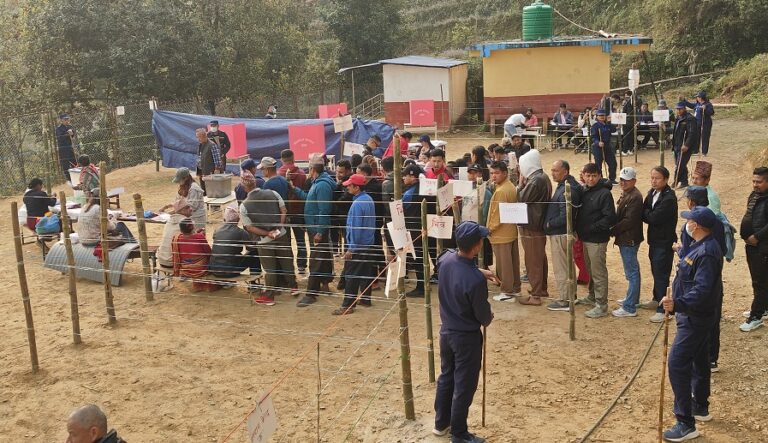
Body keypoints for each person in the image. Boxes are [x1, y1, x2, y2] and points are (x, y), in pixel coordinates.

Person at [660, 207, 723, 442]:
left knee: (677, 363)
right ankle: (700, 406)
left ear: (696, 226)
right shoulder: (700, 246)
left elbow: (702, 290)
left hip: (695, 317)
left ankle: (686, 423)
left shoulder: (706, 252)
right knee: (699, 360)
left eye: (690, 221)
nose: (687, 223)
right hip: (696, 315)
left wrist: (677, 304)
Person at [433, 221, 497, 443]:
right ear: (477, 246)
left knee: (446, 376)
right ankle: (459, 433)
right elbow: (483, 316)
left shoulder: (445, 258)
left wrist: (479, 271)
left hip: (446, 331)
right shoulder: (475, 281)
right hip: (466, 338)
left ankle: (441, 423)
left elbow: (456, 267)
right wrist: (489, 317)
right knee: (464, 384)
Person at [240, 173, 296, 305]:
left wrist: (267, 233)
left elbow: (249, 227)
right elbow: (283, 210)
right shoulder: (273, 193)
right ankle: (293, 287)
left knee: (270, 268)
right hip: (281, 234)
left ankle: (270, 296)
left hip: (264, 240)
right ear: (255, 182)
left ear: (244, 187)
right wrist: (279, 227)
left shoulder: (244, 205)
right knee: (287, 261)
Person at [291, 163, 337, 306]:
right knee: (323, 256)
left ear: (313, 170)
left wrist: (320, 231)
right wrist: (295, 189)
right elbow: (309, 199)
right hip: (316, 226)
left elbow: (324, 210)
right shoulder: (318, 183)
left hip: (318, 228)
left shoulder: (322, 185)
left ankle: (311, 293)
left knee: (316, 260)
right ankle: (325, 283)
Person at [574, 163, 616, 318]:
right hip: (585, 238)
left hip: (597, 239)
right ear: (583, 176)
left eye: (594, 176)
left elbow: (610, 218)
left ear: (599, 176)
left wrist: (592, 228)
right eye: (588, 175)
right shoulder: (584, 190)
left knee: (598, 272)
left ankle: (601, 305)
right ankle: (592, 296)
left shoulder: (604, 194)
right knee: (590, 269)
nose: (591, 179)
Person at [334, 174, 376, 315]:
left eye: (350, 186)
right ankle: (365, 299)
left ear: (356, 187)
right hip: (368, 244)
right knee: (366, 273)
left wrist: (351, 248)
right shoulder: (368, 199)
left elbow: (356, 228)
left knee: (351, 275)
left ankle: (348, 305)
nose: (347, 188)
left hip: (358, 246)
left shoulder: (357, 204)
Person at [641, 166, 678, 322]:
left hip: (664, 241)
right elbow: (645, 211)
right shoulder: (652, 193)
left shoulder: (669, 198)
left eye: (657, 178)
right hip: (654, 240)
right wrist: (647, 214)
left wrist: (647, 214)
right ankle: (657, 298)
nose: (654, 181)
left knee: (662, 273)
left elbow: (654, 217)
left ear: (665, 179)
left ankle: (663, 310)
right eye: (652, 178)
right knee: (656, 271)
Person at [544, 160, 582, 311]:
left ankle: (565, 300)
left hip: (560, 234)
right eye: (552, 170)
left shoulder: (568, 189)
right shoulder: (566, 185)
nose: (552, 173)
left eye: (556, 170)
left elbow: (566, 216)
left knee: (561, 268)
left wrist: (549, 224)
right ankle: (570, 295)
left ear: (565, 172)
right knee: (567, 266)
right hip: (563, 233)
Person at [516, 150, 551, 305]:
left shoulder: (536, 181)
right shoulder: (542, 177)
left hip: (532, 225)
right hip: (537, 224)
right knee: (539, 257)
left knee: (533, 260)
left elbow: (521, 197)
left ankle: (536, 295)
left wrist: (520, 185)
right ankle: (541, 289)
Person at [611, 167, 644, 318]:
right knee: (632, 271)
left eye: (627, 180)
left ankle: (630, 307)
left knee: (632, 273)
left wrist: (613, 229)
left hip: (628, 238)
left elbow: (629, 221)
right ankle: (633, 299)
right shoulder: (628, 193)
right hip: (627, 237)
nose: (623, 182)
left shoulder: (635, 197)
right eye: (621, 180)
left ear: (634, 181)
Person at [487, 161, 521, 301]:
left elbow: (497, 215)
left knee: (504, 264)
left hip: (501, 234)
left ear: (505, 173)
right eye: (492, 173)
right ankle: (515, 288)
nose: (494, 176)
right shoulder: (510, 186)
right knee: (512, 263)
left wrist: (489, 229)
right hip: (510, 231)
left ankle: (507, 291)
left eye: (497, 173)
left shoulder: (501, 191)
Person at [739, 166, 768, 332]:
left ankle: (756, 317)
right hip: (751, 246)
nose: (755, 185)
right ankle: (763, 308)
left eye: (759, 182)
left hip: (762, 247)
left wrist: (757, 237)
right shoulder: (755, 195)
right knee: (760, 280)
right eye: (754, 181)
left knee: (760, 282)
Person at [278, 149, 308, 273]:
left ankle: (288, 266)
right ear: (293, 158)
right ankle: (301, 266)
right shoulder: (301, 174)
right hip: (299, 211)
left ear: (281, 159)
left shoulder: (278, 174)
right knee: (301, 240)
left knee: (286, 241)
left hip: (284, 213)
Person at [209, 205, 258, 278]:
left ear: (224, 219)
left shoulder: (217, 230)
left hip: (214, 269)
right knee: (255, 252)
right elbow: (251, 249)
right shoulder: (241, 232)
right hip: (231, 271)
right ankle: (254, 280)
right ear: (238, 219)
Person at [172, 217, 219, 292]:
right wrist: (201, 237)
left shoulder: (176, 238)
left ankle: (198, 284)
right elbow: (208, 252)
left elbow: (189, 240)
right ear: (192, 227)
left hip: (186, 270)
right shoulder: (199, 237)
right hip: (201, 270)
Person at [402, 164, 427, 297]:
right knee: (422, 257)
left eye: (405, 175)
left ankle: (421, 287)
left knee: (417, 258)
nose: (403, 178)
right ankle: (423, 284)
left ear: (412, 177)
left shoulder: (409, 193)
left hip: (413, 229)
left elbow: (402, 209)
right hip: (424, 227)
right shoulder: (424, 188)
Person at [466, 163, 493, 267]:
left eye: (475, 173)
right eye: (470, 173)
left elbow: (485, 214)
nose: (472, 176)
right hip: (468, 228)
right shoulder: (466, 189)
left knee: (481, 259)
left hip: (478, 229)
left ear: (480, 174)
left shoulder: (485, 192)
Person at [672, 102, 700, 188]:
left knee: (680, 165)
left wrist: (687, 145)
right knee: (680, 164)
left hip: (685, 146)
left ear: (684, 108)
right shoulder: (678, 118)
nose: (678, 111)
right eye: (677, 109)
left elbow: (692, 133)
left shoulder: (690, 119)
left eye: (680, 109)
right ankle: (684, 182)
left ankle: (675, 181)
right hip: (677, 145)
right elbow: (675, 131)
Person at [683, 91, 715, 156]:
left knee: (705, 137)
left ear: (701, 98)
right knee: (696, 137)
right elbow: (691, 105)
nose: (697, 98)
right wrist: (684, 101)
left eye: (698, 97)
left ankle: (704, 152)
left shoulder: (708, 104)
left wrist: (705, 109)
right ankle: (696, 151)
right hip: (697, 123)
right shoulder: (697, 104)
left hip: (706, 123)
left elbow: (711, 112)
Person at [590, 110, 618, 184]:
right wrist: (598, 142)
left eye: (603, 115)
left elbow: (614, 129)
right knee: (598, 164)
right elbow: (593, 137)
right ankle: (600, 180)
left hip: (607, 146)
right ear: (597, 117)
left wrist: (610, 122)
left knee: (613, 163)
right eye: (600, 115)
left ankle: (612, 179)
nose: (602, 117)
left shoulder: (608, 125)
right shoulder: (595, 126)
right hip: (598, 147)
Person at [195, 127, 223, 195]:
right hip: (202, 172)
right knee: (204, 191)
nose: (198, 139)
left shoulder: (212, 145)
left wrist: (216, 171)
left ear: (204, 136)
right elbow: (199, 158)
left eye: (198, 137)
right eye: (197, 137)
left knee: (212, 191)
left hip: (210, 173)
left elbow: (217, 160)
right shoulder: (200, 144)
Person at [56, 113, 77, 181]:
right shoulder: (59, 129)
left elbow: (73, 135)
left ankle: (76, 177)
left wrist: (72, 133)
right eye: (65, 119)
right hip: (63, 149)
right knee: (65, 165)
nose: (67, 120)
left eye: (67, 119)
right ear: (61, 120)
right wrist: (68, 133)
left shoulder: (70, 126)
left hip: (70, 147)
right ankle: (69, 179)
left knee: (74, 162)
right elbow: (60, 138)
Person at [620, 90, 636, 156]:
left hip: (627, 121)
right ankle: (629, 150)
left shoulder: (626, 102)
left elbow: (624, 112)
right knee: (630, 136)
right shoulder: (634, 101)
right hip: (630, 121)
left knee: (627, 136)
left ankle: (625, 150)